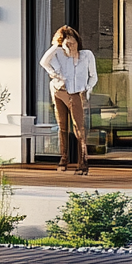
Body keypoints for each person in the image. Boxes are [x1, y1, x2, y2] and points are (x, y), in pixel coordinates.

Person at [39, 25, 98, 174]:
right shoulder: (59, 54)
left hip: (76, 93)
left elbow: (93, 77)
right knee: (62, 127)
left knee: (79, 128)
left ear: (78, 42)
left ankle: (83, 162)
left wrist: (87, 90)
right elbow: (44, 61)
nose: (70, 46)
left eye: (73, 42)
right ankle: (64, 158)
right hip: (59, 91)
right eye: (67, 43)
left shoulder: (86, 55)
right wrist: (57, 44)